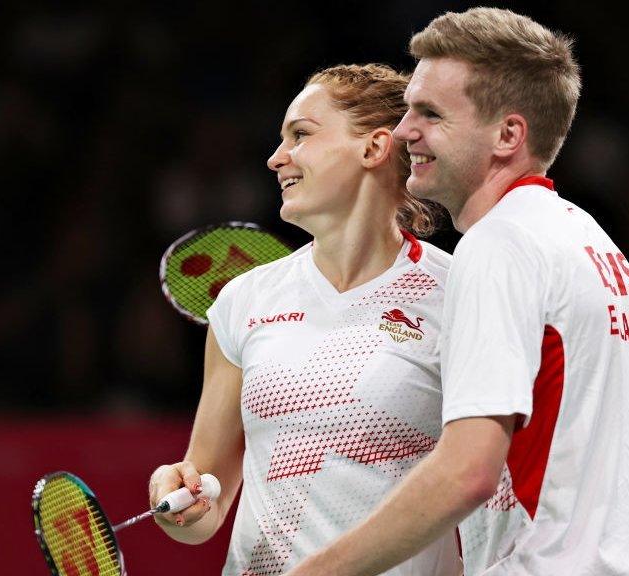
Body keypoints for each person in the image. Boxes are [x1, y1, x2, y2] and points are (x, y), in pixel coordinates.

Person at [288, 8, 629, 576]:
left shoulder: (500, 247)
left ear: (508, 134)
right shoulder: (591, 242)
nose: (402, 131)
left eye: (431, 114)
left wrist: (319, 571)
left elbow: (468, 472)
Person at [147, 64, 462, 576]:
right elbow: (207, 497)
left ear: (374, 148)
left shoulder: (457, 295)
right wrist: (176, 495)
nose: (276, 159)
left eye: (301, 135)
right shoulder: (244, 300)